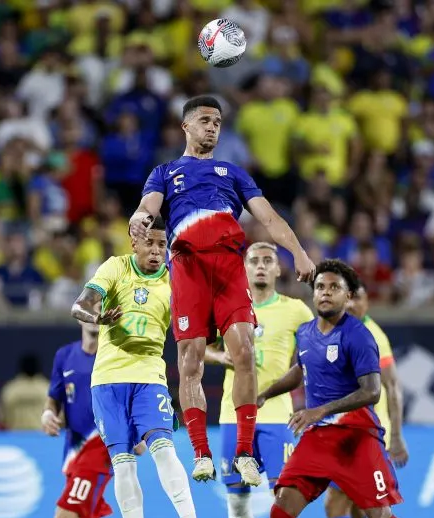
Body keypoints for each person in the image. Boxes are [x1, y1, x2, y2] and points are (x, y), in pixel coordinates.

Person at [228, 260, 434, 518]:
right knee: (282, 508)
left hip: (356, 437)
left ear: (348, 295)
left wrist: (319, 410)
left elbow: (372, 390)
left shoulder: (359, 336)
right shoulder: (307, 332)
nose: (325, 293)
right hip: (318, 440)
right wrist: (267, 393)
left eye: (333, 288)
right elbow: (302, 369)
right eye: (320, 287)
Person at [127, 95, 315, 486]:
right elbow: (148, 206)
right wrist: (140, 220)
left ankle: (244, 453)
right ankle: (201, 453)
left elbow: (268, 217)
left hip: (229, 268)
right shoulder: (165, 171)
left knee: (244, 351)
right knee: (190, 360)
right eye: (205, 120)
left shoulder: (232, 173)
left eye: (218, 122)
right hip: (188, 268)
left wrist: (297, 251)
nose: (213, 127)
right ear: (186, 126)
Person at [70, 219, 210, 518]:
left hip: (149, 377)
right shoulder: (115, 267)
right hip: (107, 381)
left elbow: (195, 332)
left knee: (164, 450)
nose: (155, 250)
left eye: (162, 244)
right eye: (149, 243)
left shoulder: (175, 281)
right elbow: (79, 306)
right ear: (135, 243)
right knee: (123, 465)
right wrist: (98, 317)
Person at [300, 283, 434, 518]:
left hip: (364, 434)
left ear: (361, 300)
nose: (354, 305)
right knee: (356, 514)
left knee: (340, 504)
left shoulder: (370, 335)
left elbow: (391, 386)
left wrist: (396, 435)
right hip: (348, 430)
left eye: (361, 297)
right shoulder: (341, 330)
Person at [204, 242, 313, 518]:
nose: (262, 267)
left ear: (279, 270)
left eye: (269, 261)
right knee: (237, 501)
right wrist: (219, 354)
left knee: (283, 502)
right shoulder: (225, 304)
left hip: (277, 416)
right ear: (244, 268)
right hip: (232, 415)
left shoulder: (296, 310)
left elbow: (315, 353)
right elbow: (195, 345)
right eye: (255, 261)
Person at [37, 321, 173, 518]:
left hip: (102, 446)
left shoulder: (121, 353)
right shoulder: (65, 355)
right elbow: (54, 395)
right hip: (74, 452)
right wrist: (48, 413)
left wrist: (138, 433)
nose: (94, 315)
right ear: (79, 316)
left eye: (101, 307)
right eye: (90, 309)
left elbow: (136, 395)